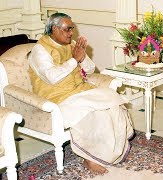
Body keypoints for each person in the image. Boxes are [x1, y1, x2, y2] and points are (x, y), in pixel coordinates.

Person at [28, 12, 134, 174]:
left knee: (113, 104)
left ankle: (112, 152)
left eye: (72, 29)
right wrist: (74, 60)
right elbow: (51, 77)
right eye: (67, 29)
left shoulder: (72, 44)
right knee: (96, 114)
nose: (71, 33)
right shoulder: (39, 50)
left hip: (79, 90)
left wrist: (82, 57)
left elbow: (90, 69)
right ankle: (89, 157)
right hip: (57, 96)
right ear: (54, 29)